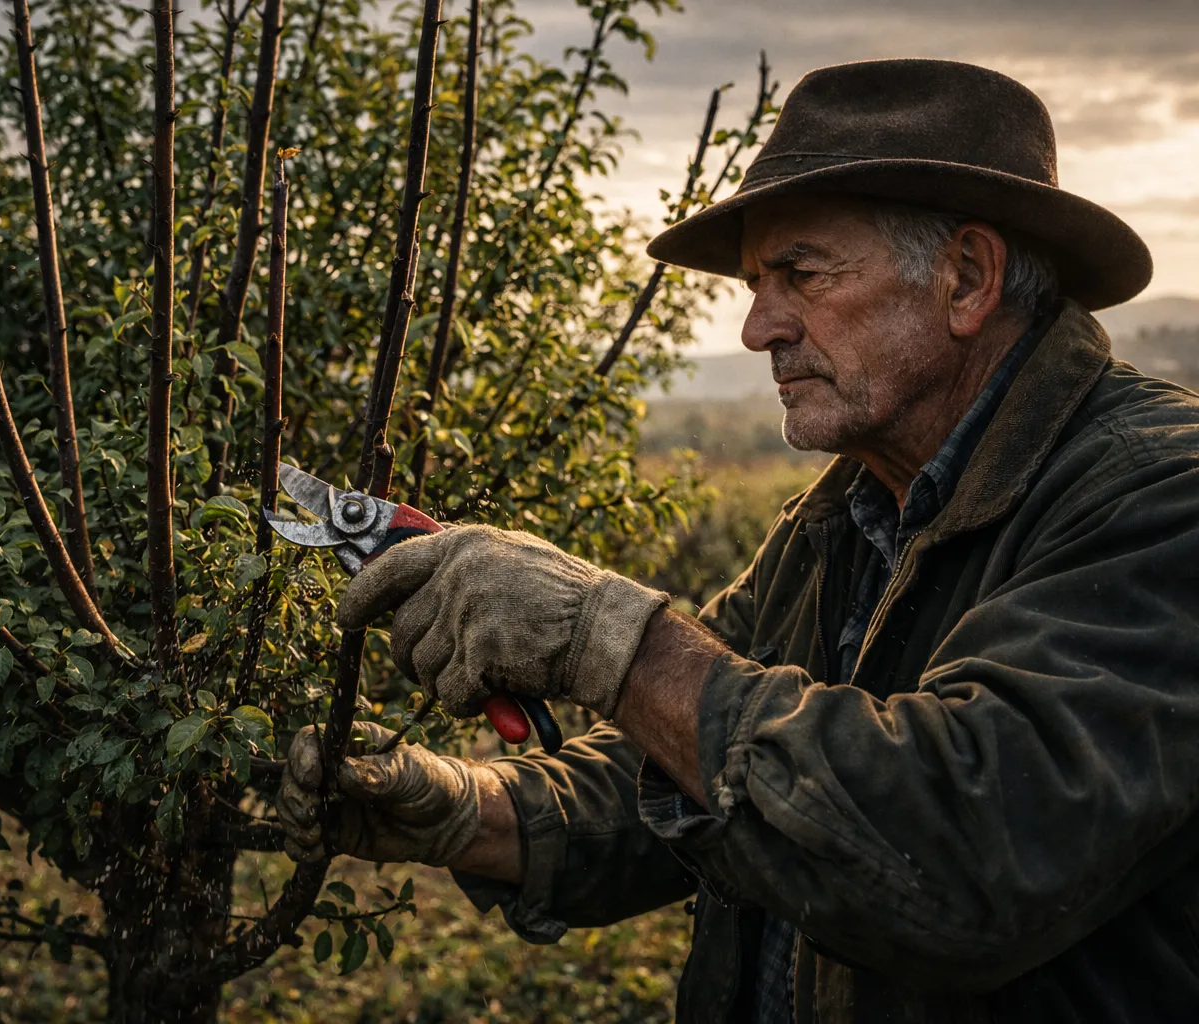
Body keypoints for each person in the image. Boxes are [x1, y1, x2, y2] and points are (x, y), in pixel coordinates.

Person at [278, 59, 1199, 1022]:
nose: (759, 327)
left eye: (799, 273)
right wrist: (468, 810)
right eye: (758, 283)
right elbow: (691, 760)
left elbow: (976, 849)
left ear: (967, 278)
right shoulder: (848, 516)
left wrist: (613, 641)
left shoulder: (1161, 497)